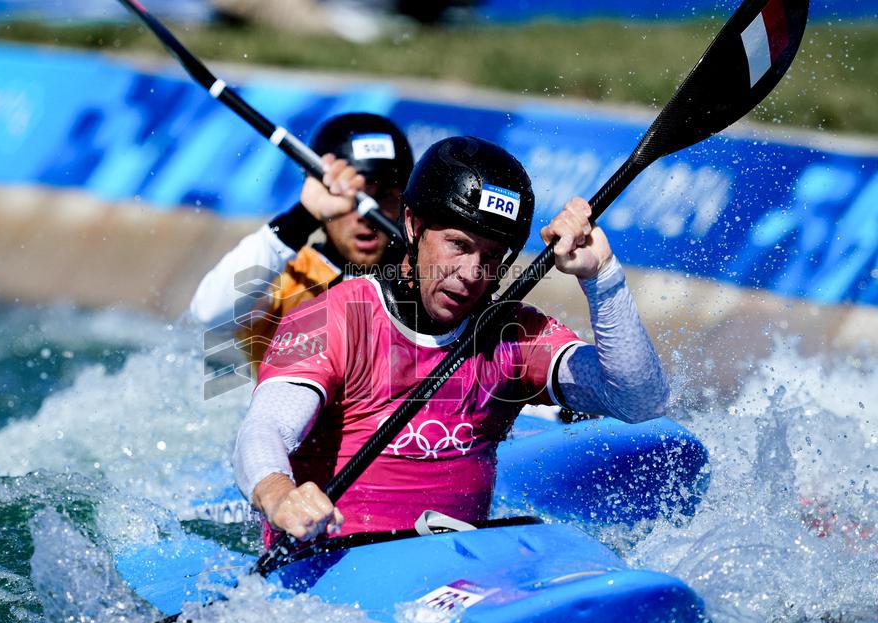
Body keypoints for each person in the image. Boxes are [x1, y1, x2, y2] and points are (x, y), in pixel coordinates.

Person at [232, 136, 670, 544]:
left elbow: (640, 403)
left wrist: (602, 276)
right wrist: (278, 494)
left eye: (493, 256)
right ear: (412, 225)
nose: (472, 273)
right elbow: (264, 427)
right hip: (335, 562)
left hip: (458, 568)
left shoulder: (513, 335)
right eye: (458, 245)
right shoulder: (333, 319)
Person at [189, 112, 413, 368]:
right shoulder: (286, 279)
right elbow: (210, 314)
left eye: (385, 196)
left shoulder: (424, 283)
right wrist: (302, 217)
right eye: (355, 197)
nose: (366, 216)